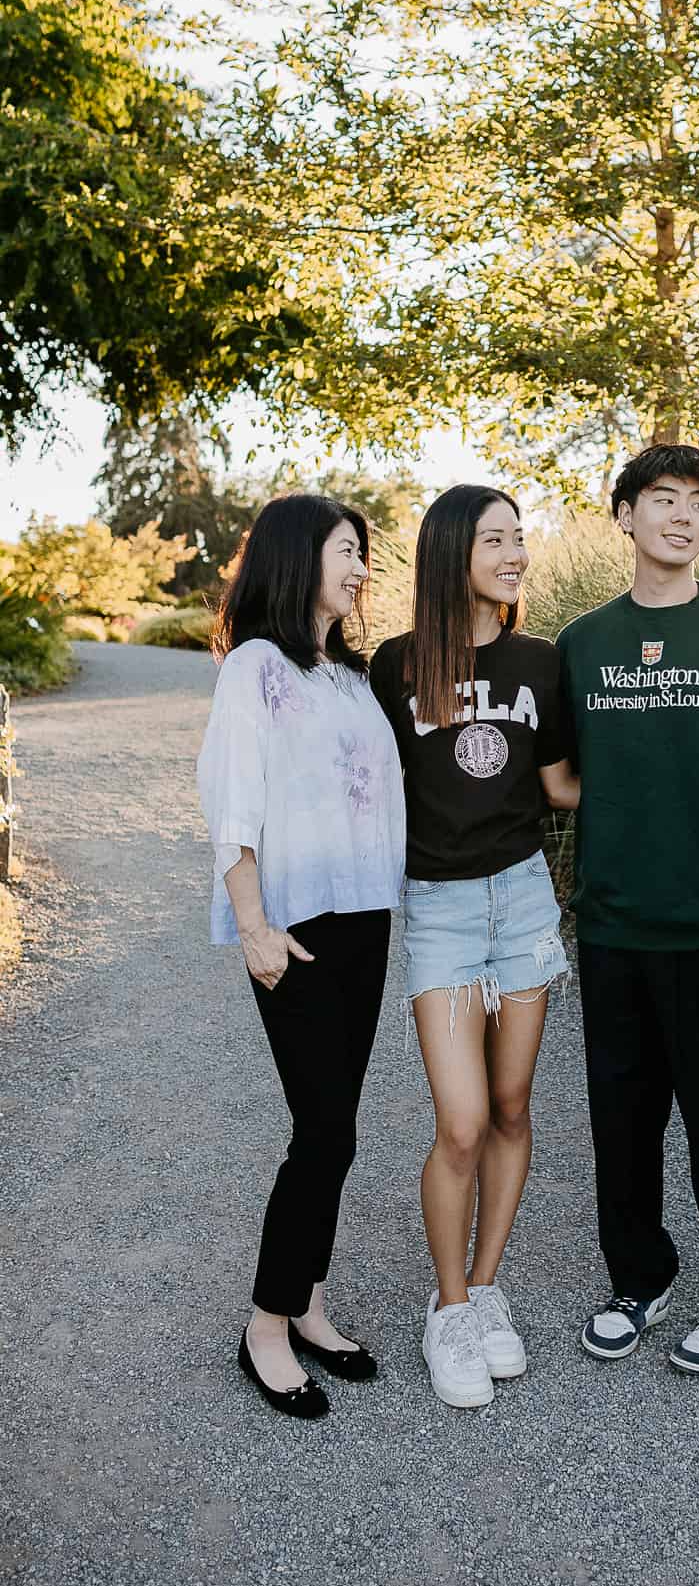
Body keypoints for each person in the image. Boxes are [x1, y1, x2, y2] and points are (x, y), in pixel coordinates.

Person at [556, 444, 699, 1375]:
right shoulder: (583, 644)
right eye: (663, 499)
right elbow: (561, 776)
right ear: (624, 515)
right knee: (622, 1118)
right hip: (612, 923)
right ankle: (638, 1279)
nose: (683, 516)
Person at [197, 494, 406, 1421]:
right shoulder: (257, 668)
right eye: (345, 550)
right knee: (320, 1132)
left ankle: (311, 1302)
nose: (361, 568)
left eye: (364, 553)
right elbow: (231, 800)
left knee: (341, 1128)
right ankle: (266, 1326)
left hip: (364, 918)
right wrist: (252, 924)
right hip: (292, 926)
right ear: (294, 557)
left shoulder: (348, 676)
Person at [370, 485, 576, 1410]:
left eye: (520, 538)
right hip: (442, 911)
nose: (515, 553)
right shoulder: (395, 666)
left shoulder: (542, 661)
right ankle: (445, 1309)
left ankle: (486, 1289)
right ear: (453, 552)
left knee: (511, 1104)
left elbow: (563, 785)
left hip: (524, 900)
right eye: (495, 538)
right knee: (458, 1123)